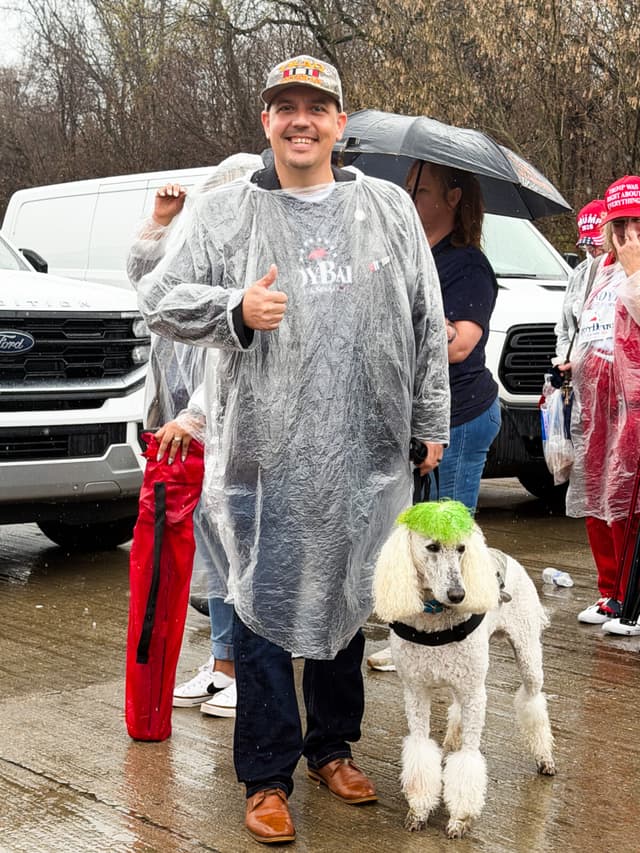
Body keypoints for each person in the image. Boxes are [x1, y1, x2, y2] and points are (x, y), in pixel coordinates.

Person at [134, 54, 450, 844]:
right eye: (286, 106)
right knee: (262, 607)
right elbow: (160, 300)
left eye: (317, 106)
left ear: (341, 123)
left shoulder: (386, 208)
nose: (301, 119)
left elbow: (424, 313)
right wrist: (235, 307)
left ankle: (331, 748)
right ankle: (266, 774)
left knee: (350, 600)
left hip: (367, 454)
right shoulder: (224, 215)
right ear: (267, 121)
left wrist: (430, 415)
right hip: (262, 459)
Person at [127, 154, 264, 718]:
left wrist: (199, 417)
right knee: (207, 554)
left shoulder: (251, 262)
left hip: (226, 432)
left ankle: (243, 672)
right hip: (183, 431)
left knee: (240, 556)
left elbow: (233, 357)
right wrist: (159, 223)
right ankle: (223, 661)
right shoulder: (199, 252)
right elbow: (147, 287)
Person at [367, 160, 500, 674]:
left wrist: (407, 329)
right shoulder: (410, 255)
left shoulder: (466, 266)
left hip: (461, 418)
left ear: (454, 199)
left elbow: (461, 344)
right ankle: (418, 631)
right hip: (417, 421)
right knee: (416, 531)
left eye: (420, 190)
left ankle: (451, 639)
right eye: (407, 188)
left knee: (448, 535)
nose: (409, 197)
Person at [565, 176, 640, 626]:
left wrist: (634, 270)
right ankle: (611, 590)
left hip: (634, 404)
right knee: (600, 493)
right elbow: (582, 321)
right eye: (619, 225)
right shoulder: (600, 269)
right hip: (598, 402)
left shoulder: (631, 269)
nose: (627, 235)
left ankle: (632, 597)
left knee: (631, 498)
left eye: (636, 223)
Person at [554, 199, 607, 364]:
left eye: (598, 244)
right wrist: (567, 359)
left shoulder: (625, 272)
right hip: (579, 372)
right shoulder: (579, 274)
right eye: (588, 247)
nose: (594, 251)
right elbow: (563, 329)